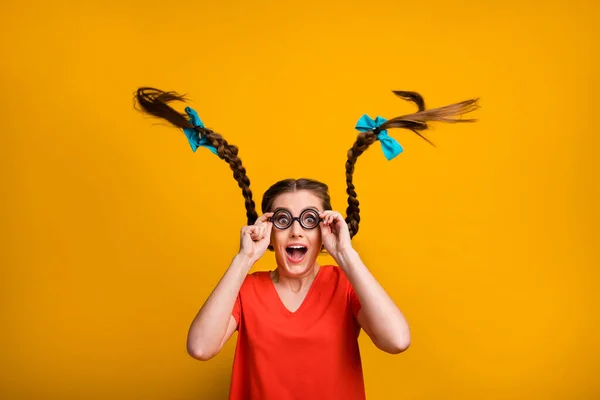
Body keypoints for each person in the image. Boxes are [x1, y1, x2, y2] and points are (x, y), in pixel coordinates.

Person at [134, 88, 479, 399]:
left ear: (324, 230)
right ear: (269, 231)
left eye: (309, 220)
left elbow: (397, 341)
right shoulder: (246, 290)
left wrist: (345, 253)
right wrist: (243, 259)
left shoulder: (343, 286)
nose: (297, 231)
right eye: (283, 220)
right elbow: (200, 348)